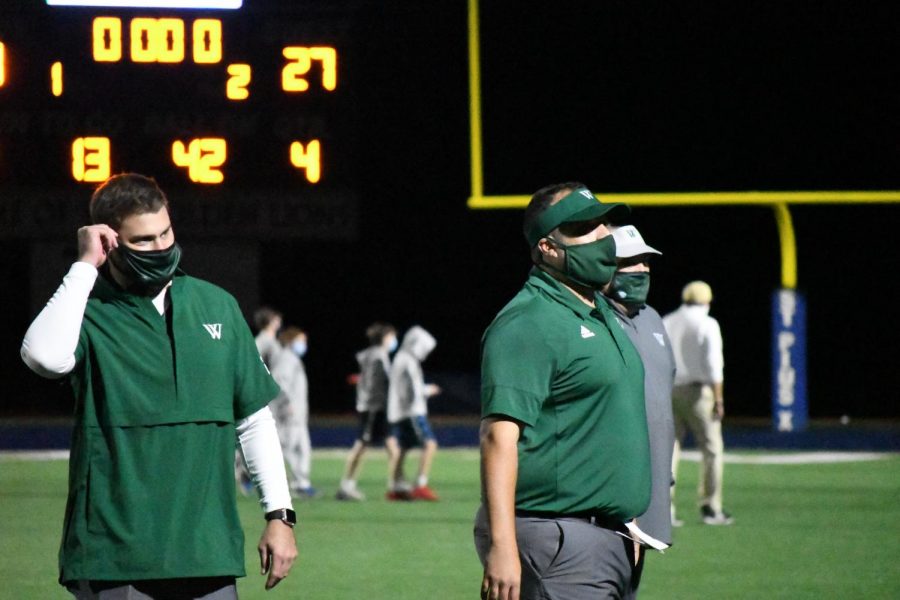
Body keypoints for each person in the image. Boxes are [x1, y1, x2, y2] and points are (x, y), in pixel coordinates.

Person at [20, 173, 297, 598]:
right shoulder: (88, 310)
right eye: (144, 240)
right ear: (110, 241)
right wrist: (83, 266)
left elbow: (254, 419)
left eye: (166, 232)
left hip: (207, 551)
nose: (161, 247)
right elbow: (43, 356)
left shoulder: (216, 304)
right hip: (114, 554)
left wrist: (279, 515)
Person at [475, 182, 650, 600]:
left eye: (603, 224)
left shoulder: (598, 310)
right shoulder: (529, 320)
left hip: (607, 536)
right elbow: (498, 438)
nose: (603, 237)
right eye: (585, 228)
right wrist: (502, 547)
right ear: (549, 248)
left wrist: (624, 521)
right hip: (559, 540)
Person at [602, 225, 677, 590]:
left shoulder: (653, 319)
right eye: (631, 261)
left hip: (648, 487)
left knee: (628, 586)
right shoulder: (592, 318)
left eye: (646, 261)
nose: (643, 269)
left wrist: (665, 472)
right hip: (601, 494)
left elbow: (662, 401)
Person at [663, 281, 733, 526]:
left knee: (668, 450)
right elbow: (715, 365)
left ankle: (665, 509)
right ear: (707, 300)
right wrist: (719, 398)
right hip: (698, 392)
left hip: (669, 389)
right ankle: (711, 507)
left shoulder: (668, 320)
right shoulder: (708, 323)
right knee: (712, 450)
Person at [337, 322, 398, 501]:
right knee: (362, 446)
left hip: (377, 407)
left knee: (392, 447)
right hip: (374, 408)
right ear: (385, 338)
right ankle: (346, 486)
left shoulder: (374, 355)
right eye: (392, 337)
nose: (394, 340)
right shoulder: (378, 356)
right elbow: (379, 383)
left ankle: (395, 486)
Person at [385, 325, 441, 501]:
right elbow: (412, 390)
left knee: (404, 448)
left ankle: (396, 486)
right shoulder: (408, 360)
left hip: (400, 411)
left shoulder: (400, 358)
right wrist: (428, 390)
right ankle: (420, 485)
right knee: (430, 444)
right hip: (412, 411)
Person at [270, 326, 317, 498]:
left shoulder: (290, 358)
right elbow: (279, 382)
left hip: (296, 414)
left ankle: (301, 484)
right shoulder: (286, 359)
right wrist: (286, 404)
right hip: (289, 414)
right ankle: (291, 484)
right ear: (291, 341)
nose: (304, 344)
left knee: (300, 449)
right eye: (301, 341)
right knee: (290, 449)